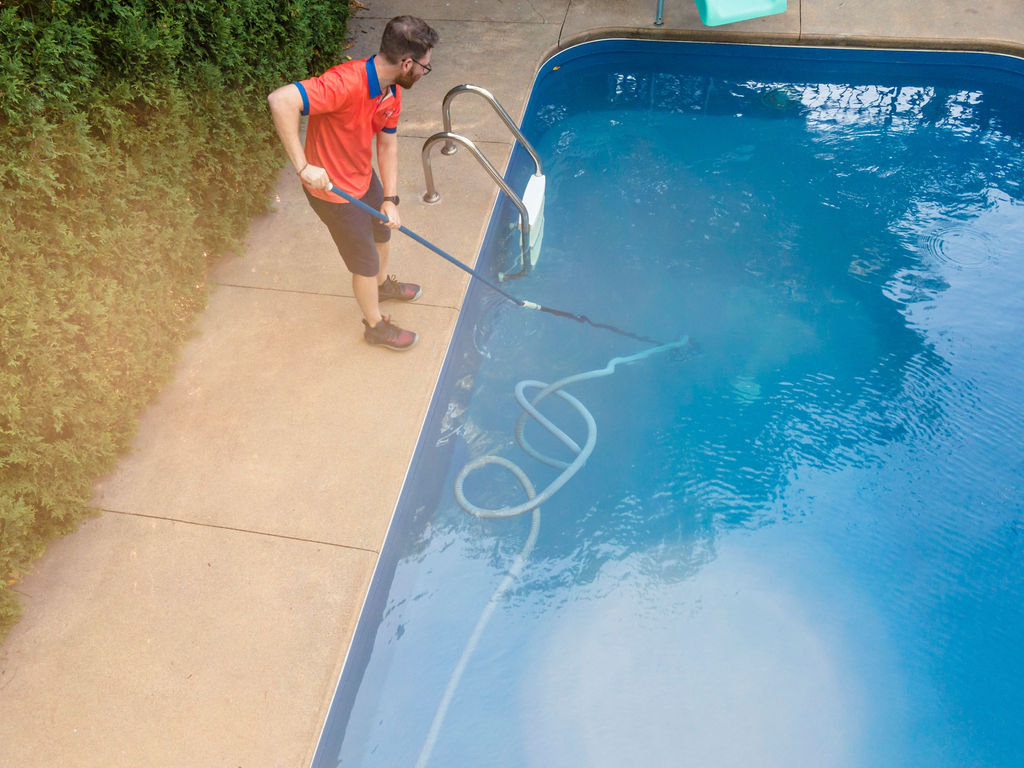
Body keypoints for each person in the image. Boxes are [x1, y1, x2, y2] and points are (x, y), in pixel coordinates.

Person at [267, 16, 439, 351]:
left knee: (382, 231)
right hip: (333, 194)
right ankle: (374, 326)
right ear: (407, 63)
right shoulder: (344, 83)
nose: (423, 72)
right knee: (364, 262)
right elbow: (281, 100)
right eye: (424, 66)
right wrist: (303, 167)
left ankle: (381, 286)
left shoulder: (391, 90)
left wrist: (390, 197)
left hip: (363, 177)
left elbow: (386, 144)